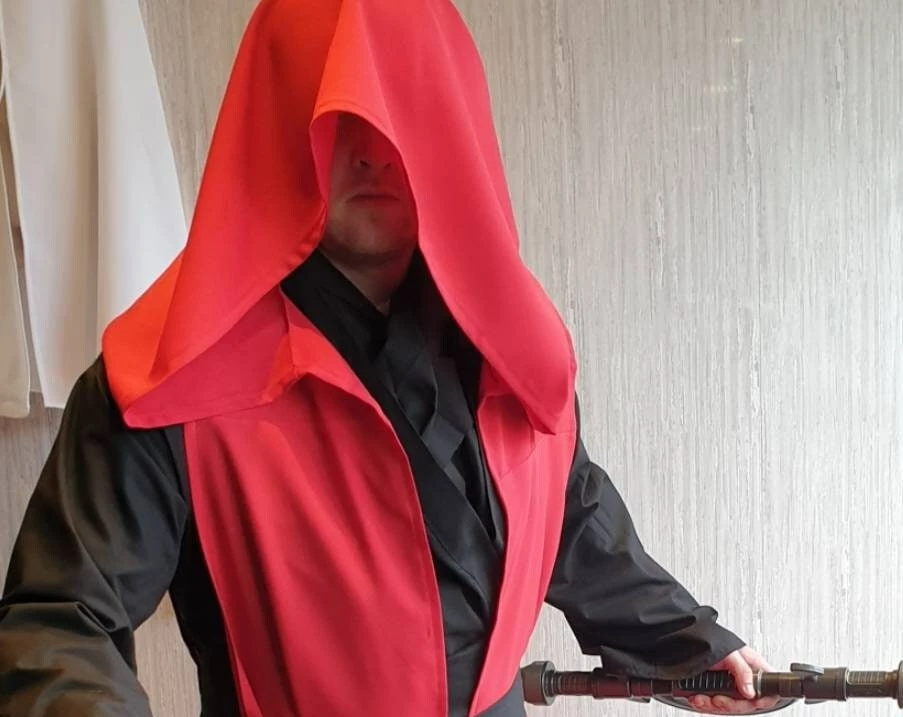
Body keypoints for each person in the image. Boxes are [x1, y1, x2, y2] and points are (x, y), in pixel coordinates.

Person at [0, 1, 778, 716]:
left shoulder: (506, 340)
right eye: (338, 118)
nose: (372, 154)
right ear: (279, 126)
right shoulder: (172, 373)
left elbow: (569, 515)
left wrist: (684, 643)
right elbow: (59, 622)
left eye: (398, 112)